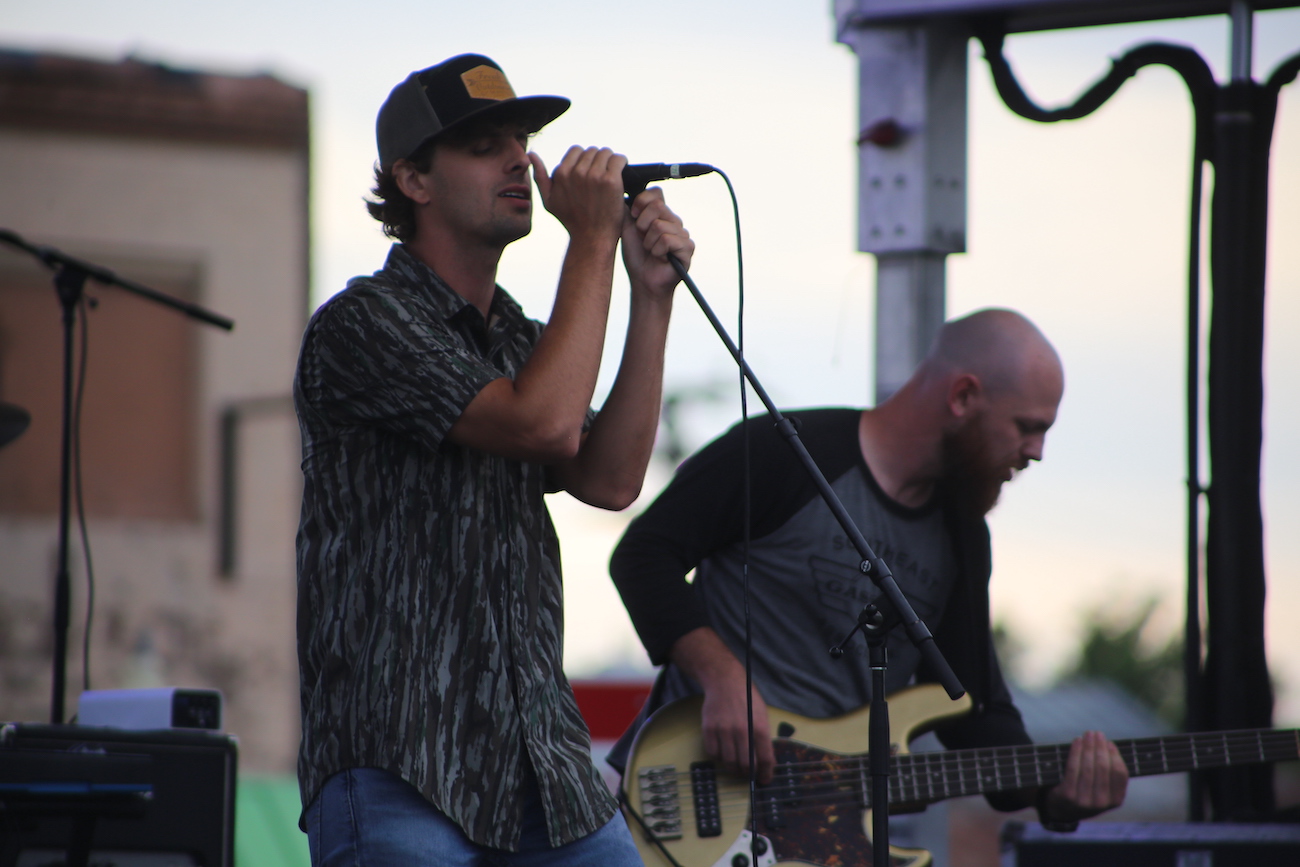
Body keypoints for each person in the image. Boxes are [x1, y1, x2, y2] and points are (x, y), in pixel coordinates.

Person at [293, 54, 692, 865]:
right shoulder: (363, 322)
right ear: (414, 179)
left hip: (541, 764)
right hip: (404, 761)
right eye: (483, 145)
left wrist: (650, 299)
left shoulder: (513, 335)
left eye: (521, 138)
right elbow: (542, 426)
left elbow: (610, 479)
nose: (519, 159)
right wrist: (589, 237)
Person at [610, 309, 1128, 836]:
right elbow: (644, 555)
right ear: (963, 396)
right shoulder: (784, 450)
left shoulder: (963, 535)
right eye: (1028, 427)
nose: (1037, 452)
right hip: (692, 806)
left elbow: (974, 709)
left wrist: (1053, 796)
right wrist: (722, 677)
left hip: (826, 837)